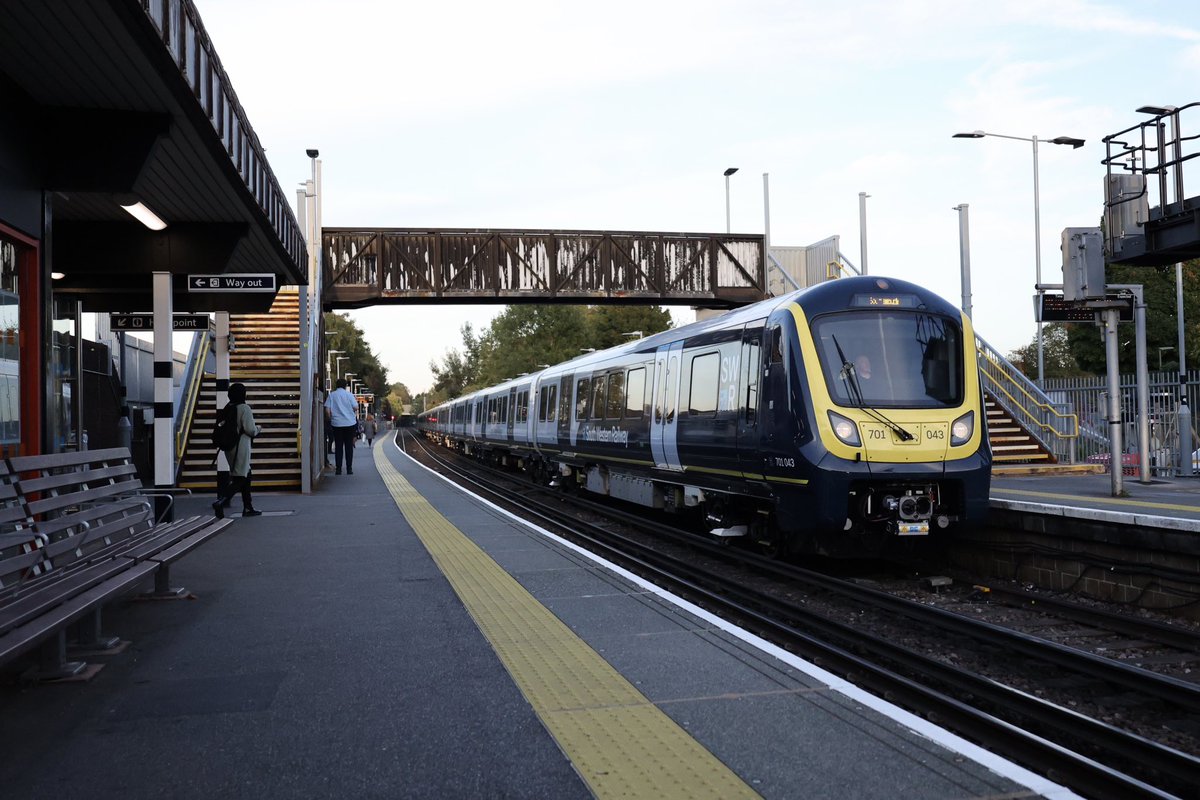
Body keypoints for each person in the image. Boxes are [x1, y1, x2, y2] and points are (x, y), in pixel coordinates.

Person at [212, 382, 262, 518]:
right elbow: (250, 430)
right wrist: (259, 429)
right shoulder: (244, 408)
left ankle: (248, 507)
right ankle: (221, 501)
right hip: (241, 447)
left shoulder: (228, 407)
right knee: (240, 478)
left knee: (246, 474)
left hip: (230, 447)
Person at [325, 378, 359, 475]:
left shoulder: (332, 395)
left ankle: (338, 469)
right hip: (349, 423)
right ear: (345, 386)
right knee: (349, 446)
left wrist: (330, 418)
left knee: (338, 446)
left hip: (336, 424)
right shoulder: (349, 395)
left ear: (336, 385)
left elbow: (327, 411)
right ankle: (349, 469)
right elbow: (356, 407)